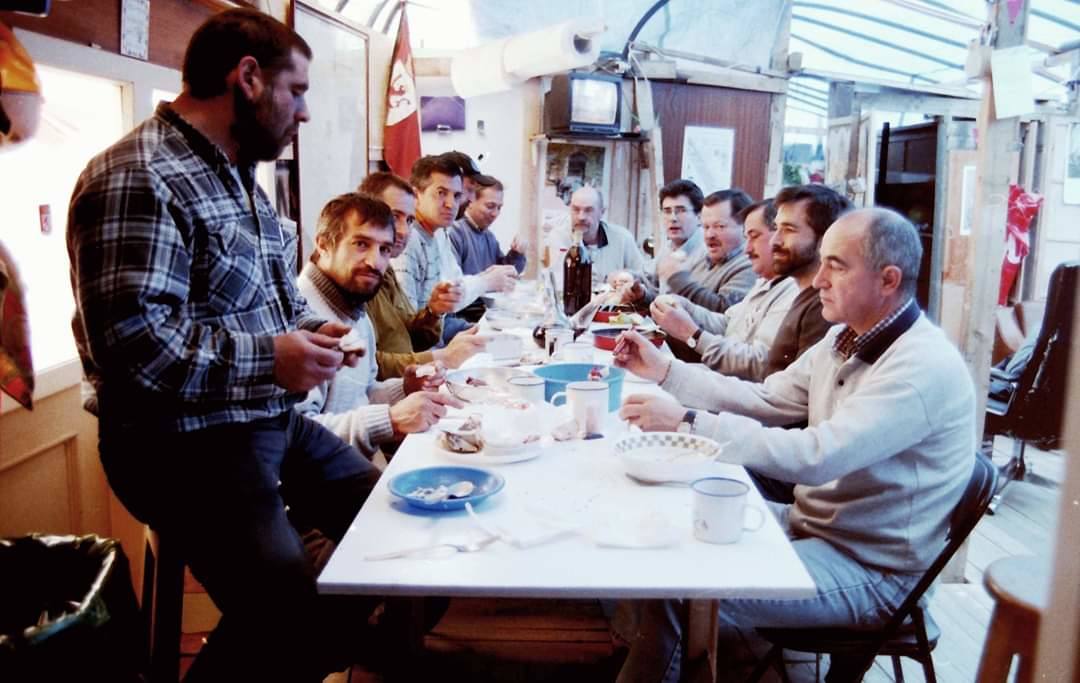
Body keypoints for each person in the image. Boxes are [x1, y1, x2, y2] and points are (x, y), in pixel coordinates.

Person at [67, 10, 378, 680]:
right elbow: (135, 348)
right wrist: (272, 356)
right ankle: (294, 631)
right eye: (297, 92)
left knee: (400, 520)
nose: (305, 114)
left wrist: (312, 335)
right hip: (177, 444)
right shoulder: (138, 175)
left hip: (262, 420)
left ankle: (308, 633)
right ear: (249, 79)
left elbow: (274, 304)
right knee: (286, 617)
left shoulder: (240, 179)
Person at [613, 208, 976, 682]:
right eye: (822, 261)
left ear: (888, 280)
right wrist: (666, 371)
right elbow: (767, 398)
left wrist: (687, 420)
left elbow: (818, 456)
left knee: (681, 585)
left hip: (873, 570)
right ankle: (644, 655)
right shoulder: (845, 338)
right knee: (662, 526)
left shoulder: (922, 367)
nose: (818, 279)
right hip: (815, 527)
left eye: (837, 265)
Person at [295, 192, 463, 460]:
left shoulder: (355, 309)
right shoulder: (300, 316)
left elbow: (363, 393)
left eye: (384, 249)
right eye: (361, 244)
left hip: (355, 466)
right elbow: (297, 435)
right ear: (324, 244)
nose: (376, 262)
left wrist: (403, 389)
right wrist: (390, 421)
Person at [650, 199, 799, 381]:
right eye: (705, 227)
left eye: (720, 226)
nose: (747, 248)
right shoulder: (765, 282)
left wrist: (692, 334)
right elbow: (728, 322)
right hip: (721, 379)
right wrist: (688, 308)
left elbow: (760, 363)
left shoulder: (791, 290)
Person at [359, 171, 487, 379]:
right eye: (394, 217)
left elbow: (409, 336)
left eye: (409, 220)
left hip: (406, 383)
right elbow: (369, 366)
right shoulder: (359, 277)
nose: (403, 230)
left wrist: (433, 312)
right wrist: (442, 357)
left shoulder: (387, 269)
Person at [391, 155, 517, 328]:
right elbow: (408, 328)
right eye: (441, 193)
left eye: (457, 195)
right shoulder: (407, 241)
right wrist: (485, 281)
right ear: (416, 195)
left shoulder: (439, 232)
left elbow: (452, 288)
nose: (451, 204)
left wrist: (476, 332)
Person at [660, 188, 756, 312]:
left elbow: (725, 310)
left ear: (745, 227)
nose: (709, 235)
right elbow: (674, 303)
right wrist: (643, 296)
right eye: (706, 227)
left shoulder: (749, 266)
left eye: (719, 226)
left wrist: (679, 280)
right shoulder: (704, 259)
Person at [619, 178, 706, 307]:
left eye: (681, 210)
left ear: (699, 217)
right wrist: (628, 280)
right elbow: (649, 281)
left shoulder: (706, 252)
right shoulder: (669, 246)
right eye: (667, 211)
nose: (673, 218)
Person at [551, 185, 644, 284]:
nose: (581, 217)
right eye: (576, 209)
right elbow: (551, 280)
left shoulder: (623, 239)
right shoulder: (558, 238)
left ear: (602, 212)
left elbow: (643, 277)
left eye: (588, 210)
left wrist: (623, 276)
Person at [447, 175, 527, 275]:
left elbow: (505, 273)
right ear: (471, 201)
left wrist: (517, 253)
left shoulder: (489, 237)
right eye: (490, 206)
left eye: (499, 208)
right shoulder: (454, 233)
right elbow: (453, 281)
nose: (495, 213)